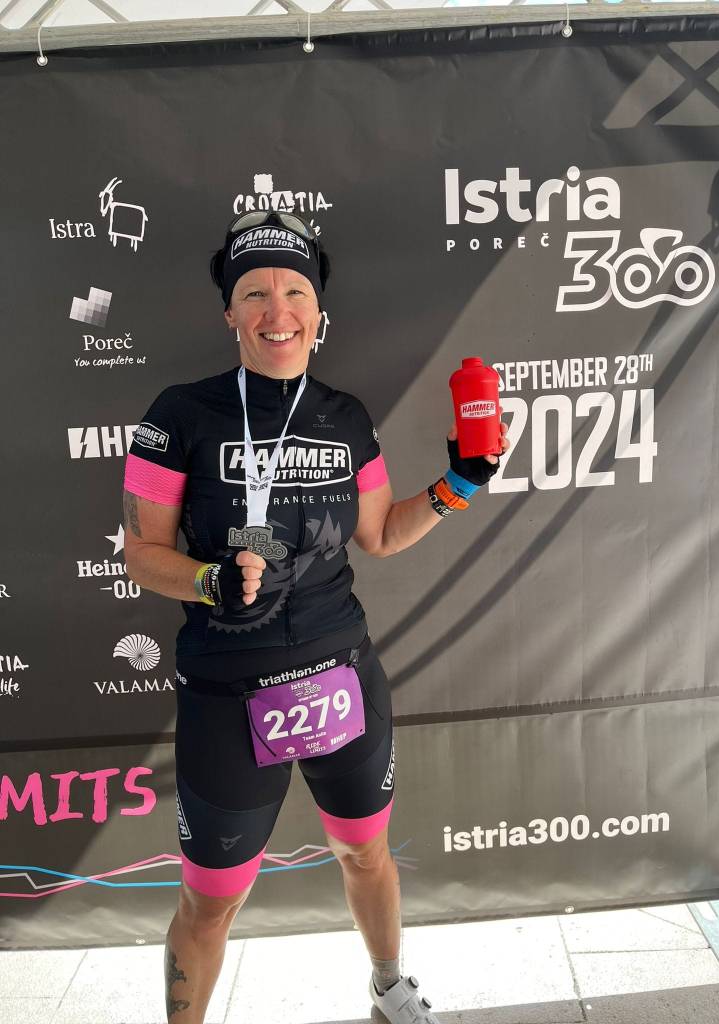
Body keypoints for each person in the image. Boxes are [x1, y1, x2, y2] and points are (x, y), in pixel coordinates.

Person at [123, 210, 509, 1024]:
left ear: (318, 310)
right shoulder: (179, 416)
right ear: (229, 313)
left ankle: (389, 986)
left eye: (295, 292)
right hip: (230, 691)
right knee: (211, 901)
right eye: (255, 293)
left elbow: (381, 534)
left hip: (341, 676)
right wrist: (209, 580)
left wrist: (462, 482)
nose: (278, 311)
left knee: (366, 853)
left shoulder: (345, 415)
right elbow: (140, 554)